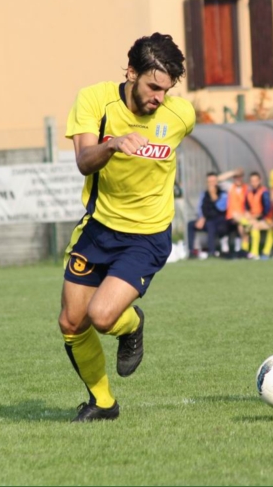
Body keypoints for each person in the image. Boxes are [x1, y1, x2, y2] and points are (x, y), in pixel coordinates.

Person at [59, 33, 195, 422]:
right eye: (153, 87)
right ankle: (103, 403)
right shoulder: (94, 100)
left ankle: (132, 325)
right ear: (131, 73)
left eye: (166, 90)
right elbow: (84, 161)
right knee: (71, 322)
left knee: (102, 317)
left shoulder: (181, 115)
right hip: (99, 227)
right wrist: (112, 144)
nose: (159, 98)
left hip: (146, 236)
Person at [186, 172, 229, 258]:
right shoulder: (204, 194)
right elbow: (201, 208)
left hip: (220, 222)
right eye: (209, 182)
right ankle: (191, 252)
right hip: (206, 219)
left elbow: (221, 208)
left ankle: (211, 252)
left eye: (213, 181)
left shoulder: (222, 193)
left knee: (210, 224)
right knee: (190, 224)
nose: (211, 184)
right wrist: (201, 218)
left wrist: (213, 195)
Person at [218, 168, 250, 257]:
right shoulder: (230, 187)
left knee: (241, 227)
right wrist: (233, 172)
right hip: (231, 217)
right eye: (236, 177)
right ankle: (232, 250)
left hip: (243, 217)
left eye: (240, 177)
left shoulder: (247, 188)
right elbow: (219, 179)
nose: (238, 179)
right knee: (226, 226)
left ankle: (241, 250)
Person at [244, 171, 273, 260]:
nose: (254, 183)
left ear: (260, 181)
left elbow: (267, 209)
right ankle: (246, 251)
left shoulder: (264, 192)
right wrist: (248, 215)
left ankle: (264, 252)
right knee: (244, 226)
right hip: (254, 218)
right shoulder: (249, 192)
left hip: (266, 219)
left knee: (255, 226)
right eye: (252, 181)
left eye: (256, 181)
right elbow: (246, 207)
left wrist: (256, 217)